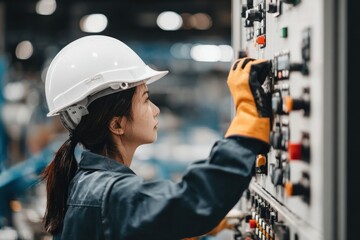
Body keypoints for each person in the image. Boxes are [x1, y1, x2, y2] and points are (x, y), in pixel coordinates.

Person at [42, 35, 272, 239]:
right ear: (117, 124)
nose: (155, 110)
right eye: (145, 99)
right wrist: (249, 118)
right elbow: (193, 201)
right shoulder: (107, 193)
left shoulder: (91, 184)